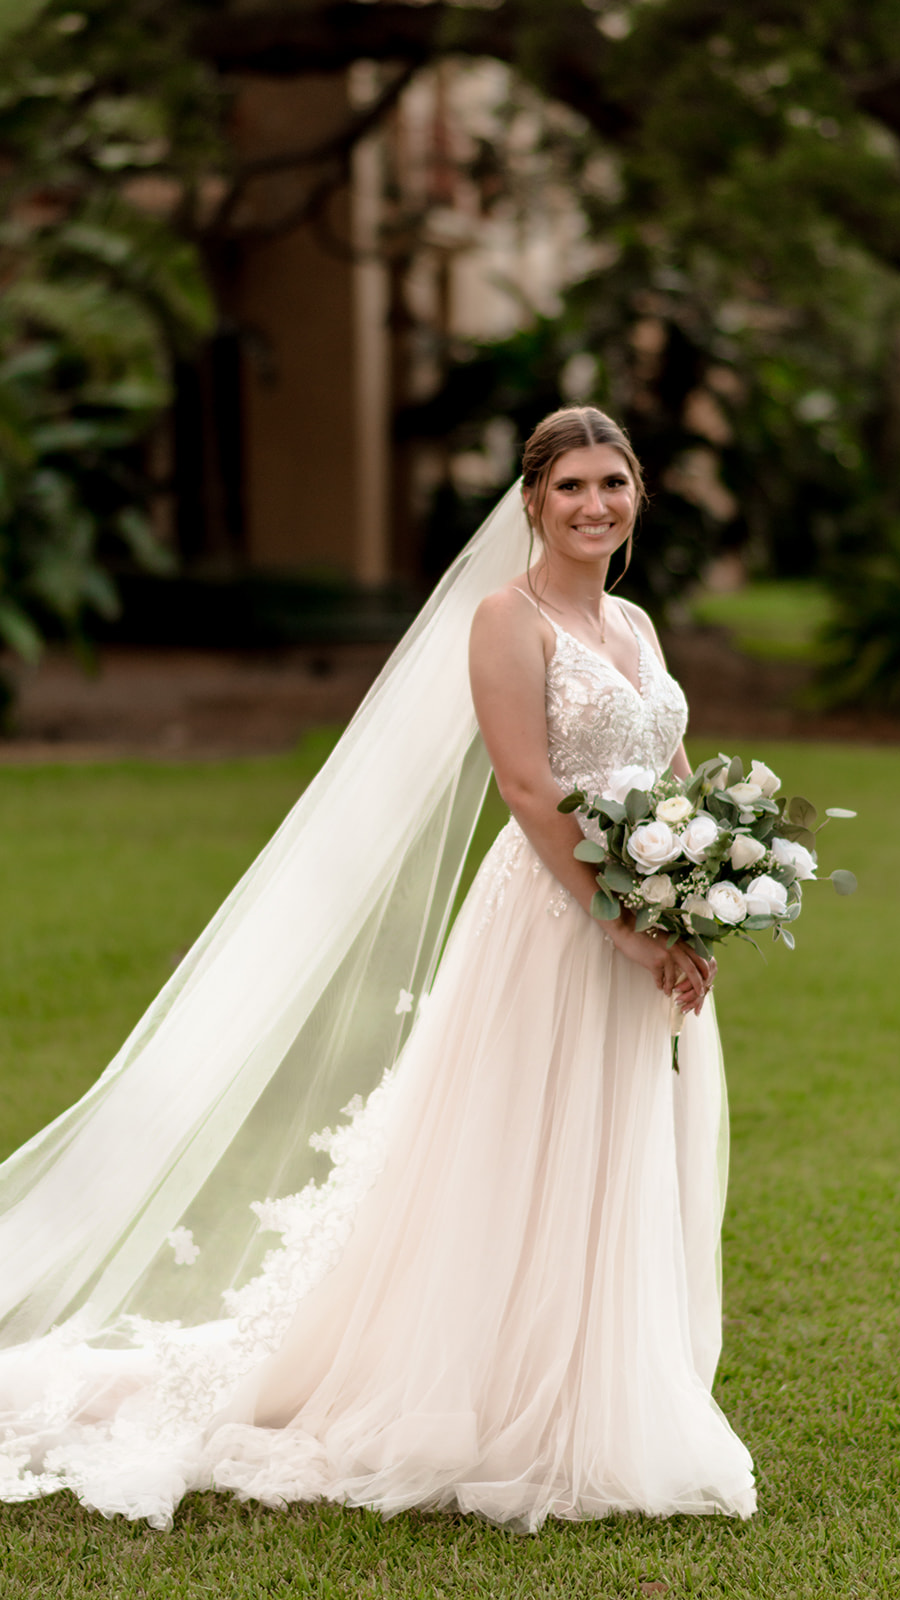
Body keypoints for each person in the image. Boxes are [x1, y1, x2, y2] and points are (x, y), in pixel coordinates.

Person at [0, 406, 756, 1529]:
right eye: (571, 488)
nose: (595, 505)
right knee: (520, 1147)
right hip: (556, 921)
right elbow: (528, 790)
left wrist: (701, 894)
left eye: (614, 483)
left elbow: (668, 764)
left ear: (636, 494)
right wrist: (620, 921)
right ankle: (494, 1399)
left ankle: (585, 1382)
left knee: (615, 1147)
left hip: (642, 915)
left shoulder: (636, 623)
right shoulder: (508, 618)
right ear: (532, 501)